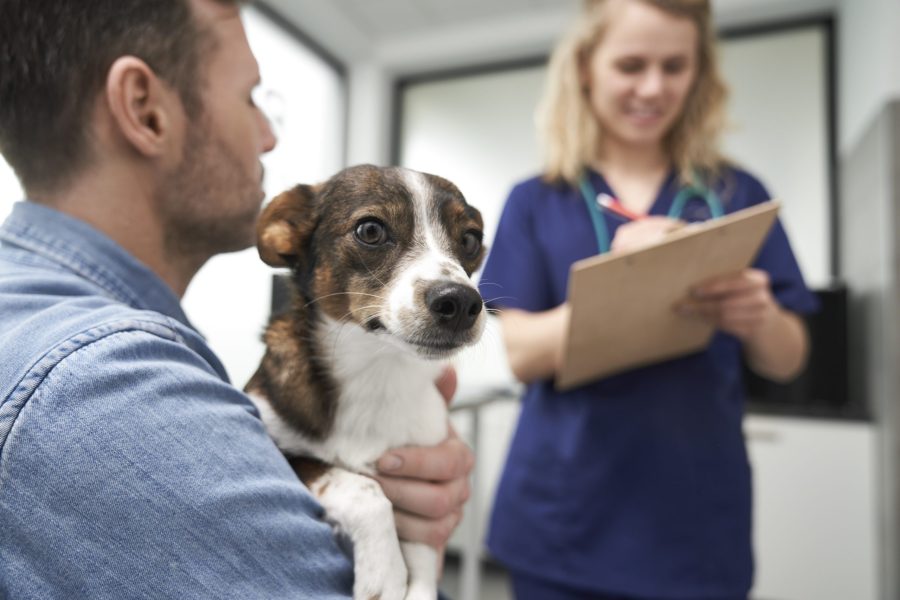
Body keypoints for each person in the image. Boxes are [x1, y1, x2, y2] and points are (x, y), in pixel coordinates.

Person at [0, 1, 472, 598]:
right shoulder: (104, 384)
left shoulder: (37, 309)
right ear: (145, 109)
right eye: (252, 99)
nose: (270, 136)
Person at [478, 0, 818, 598]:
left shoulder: (737, 193)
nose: (653, 88)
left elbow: (788, 358)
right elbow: (522, 354)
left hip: (696, 523)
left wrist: (758, 317)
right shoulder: (536, 199)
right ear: (586, 67)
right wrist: (628, 280)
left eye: (675, 66)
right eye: (631, 65)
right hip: (564, 520)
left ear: (700, 72)